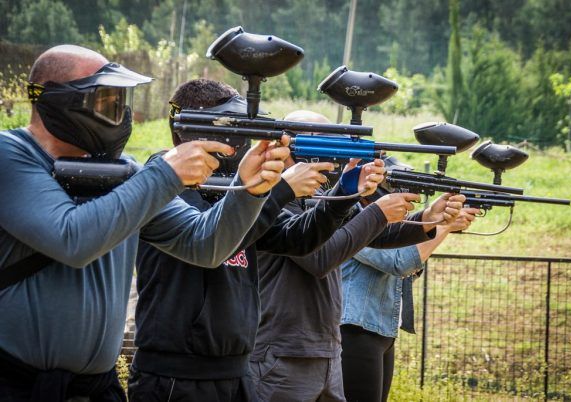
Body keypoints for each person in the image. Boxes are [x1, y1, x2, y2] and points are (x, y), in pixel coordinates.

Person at [0, 45, 289, 402]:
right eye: (107, 101)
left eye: (121, 101)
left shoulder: (121, 172)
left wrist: (250, 190)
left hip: (97, 387)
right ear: (59, 100)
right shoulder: (10, 154)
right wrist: (165, 175)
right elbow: (72, 238)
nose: (121, 114)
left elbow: (205, 244)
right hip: (18, 384)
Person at [127, 79, 386, 402]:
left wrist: (343, 193)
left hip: (236, 371)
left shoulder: (233, 188)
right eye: (235, 129)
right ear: (195, 128)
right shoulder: (162, 180)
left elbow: (298, 239)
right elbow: (208, 238)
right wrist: (280, 190)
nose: (242, 142)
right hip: (176, 376)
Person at [249, 111, 466, 402]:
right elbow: (319, 258)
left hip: (325, 348)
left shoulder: (318, 195)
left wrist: (427, 218)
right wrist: (378, 212)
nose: (334, 155)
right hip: (281, 350)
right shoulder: (270, 197)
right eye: (324, 142)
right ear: (291, 146)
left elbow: (376, 235)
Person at [340, 205, 479, 401]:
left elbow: (404, 273)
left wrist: (440, 225)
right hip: (355, 329)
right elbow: (399, 262)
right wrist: (444, 225)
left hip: (381, 329)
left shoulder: (377, 223)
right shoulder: (353, 220)